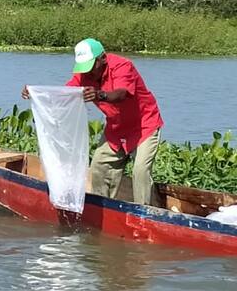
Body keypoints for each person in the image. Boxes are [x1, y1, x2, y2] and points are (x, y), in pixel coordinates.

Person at [22, 38, 163, 205]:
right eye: (84, 68)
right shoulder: (83, 75)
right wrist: (36, 93)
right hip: (116, 129)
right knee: (99, 166)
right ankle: (104, 208)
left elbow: (121, 94)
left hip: (144, 126)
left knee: (140, 171)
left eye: (91, 66)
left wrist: (99, 94)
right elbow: (64, 93)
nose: (88, 73)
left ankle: (144, 213)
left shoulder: (122, 66)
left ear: (102, 58)